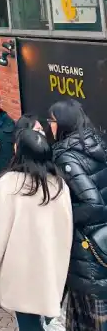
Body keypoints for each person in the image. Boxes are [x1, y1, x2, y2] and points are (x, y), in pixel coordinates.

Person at [0, 128, 72, 331]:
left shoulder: (9, 185)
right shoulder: (59, 186)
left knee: (28, 324)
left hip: (20, 272)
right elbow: (65, 233)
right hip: (50, 270)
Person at [50, 99, 107, 331]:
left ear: (62, 123)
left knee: (88, 320)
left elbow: (93, 204)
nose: (49, 126)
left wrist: (62, 216)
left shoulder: (65, 156)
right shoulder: (97, 143)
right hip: (101, 245)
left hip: (87, 252)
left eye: (51, 121)